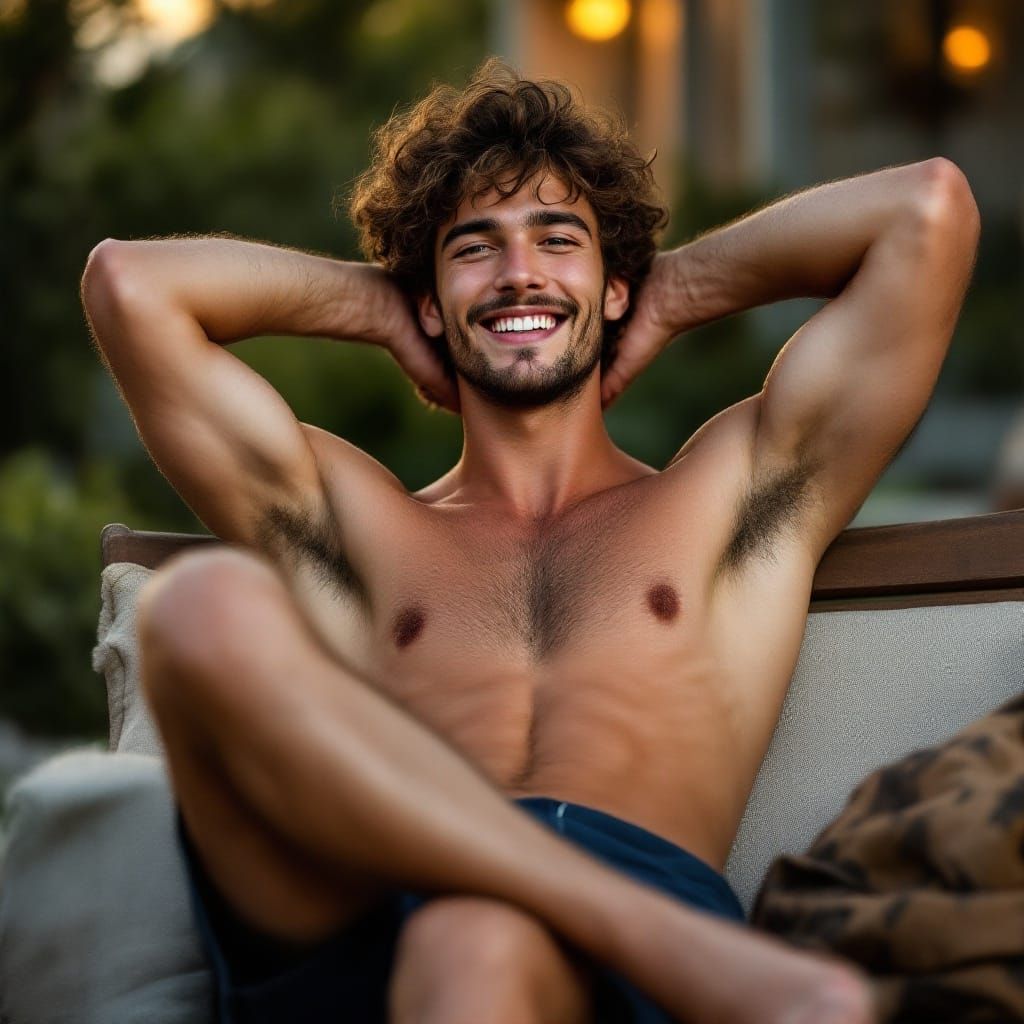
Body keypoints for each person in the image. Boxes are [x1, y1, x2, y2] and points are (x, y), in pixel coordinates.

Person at [80, 59, 978, 1024]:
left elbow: (927, 212)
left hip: (623, 948)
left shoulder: (731, 497)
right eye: (475, 249)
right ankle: (653, 941)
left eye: (559, 240)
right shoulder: (363, 527)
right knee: (195, 608)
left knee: (478, 937)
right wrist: (384, 305)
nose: (519, 273)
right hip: (373, 920)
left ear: (616, 285)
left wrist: (674, 292)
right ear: (430, 301)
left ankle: (613, 928)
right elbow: (130, 286)